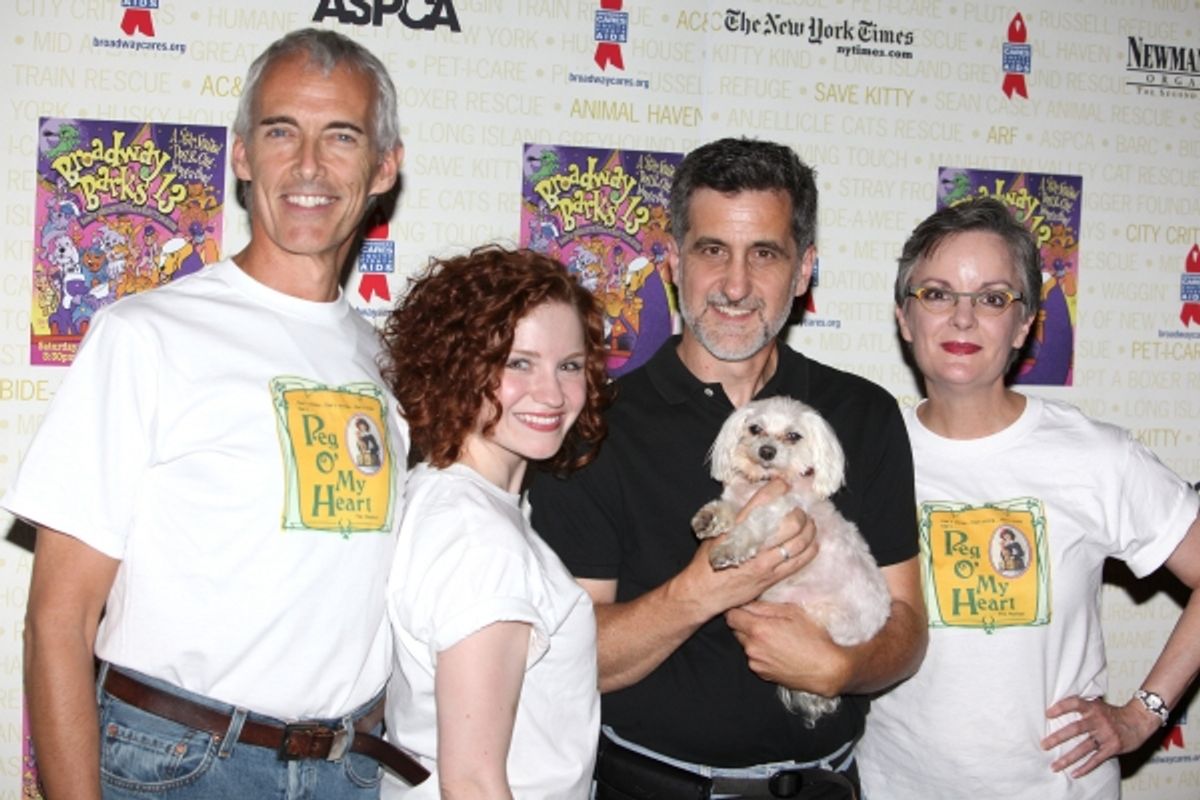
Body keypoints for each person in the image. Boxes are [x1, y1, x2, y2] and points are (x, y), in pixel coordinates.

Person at [8, 28, 417, 800]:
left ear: (383, 166)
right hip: (179, 765)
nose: (306, 165)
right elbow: (57, 622)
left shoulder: (389, 362)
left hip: (348, 767)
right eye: (279, 131)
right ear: (240, 156)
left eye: (340, 136)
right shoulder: (145, 336)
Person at [527, 137, 927, 799]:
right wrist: (704, 588)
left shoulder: (863, 415)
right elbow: (574, 656)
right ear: (674, 262)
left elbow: (907, 627)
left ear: (803, 272)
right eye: (712, 250)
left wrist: (842, 665)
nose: (736, 286)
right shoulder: (596, 424)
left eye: (764, 254)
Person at [856, 196, 1200, 799]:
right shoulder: (862, 456)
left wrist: (1144, 714)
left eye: (992, 298)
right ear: (904, 318)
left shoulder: (1097, 457)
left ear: (1025, 324)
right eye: (937, 294)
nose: (963, 319)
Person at [378, 245, 607, 798]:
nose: (552, 394)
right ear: (457, 364)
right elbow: (474, 784)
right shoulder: (481, 540)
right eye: (518, 363)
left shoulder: (447, 495)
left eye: (569, 366)